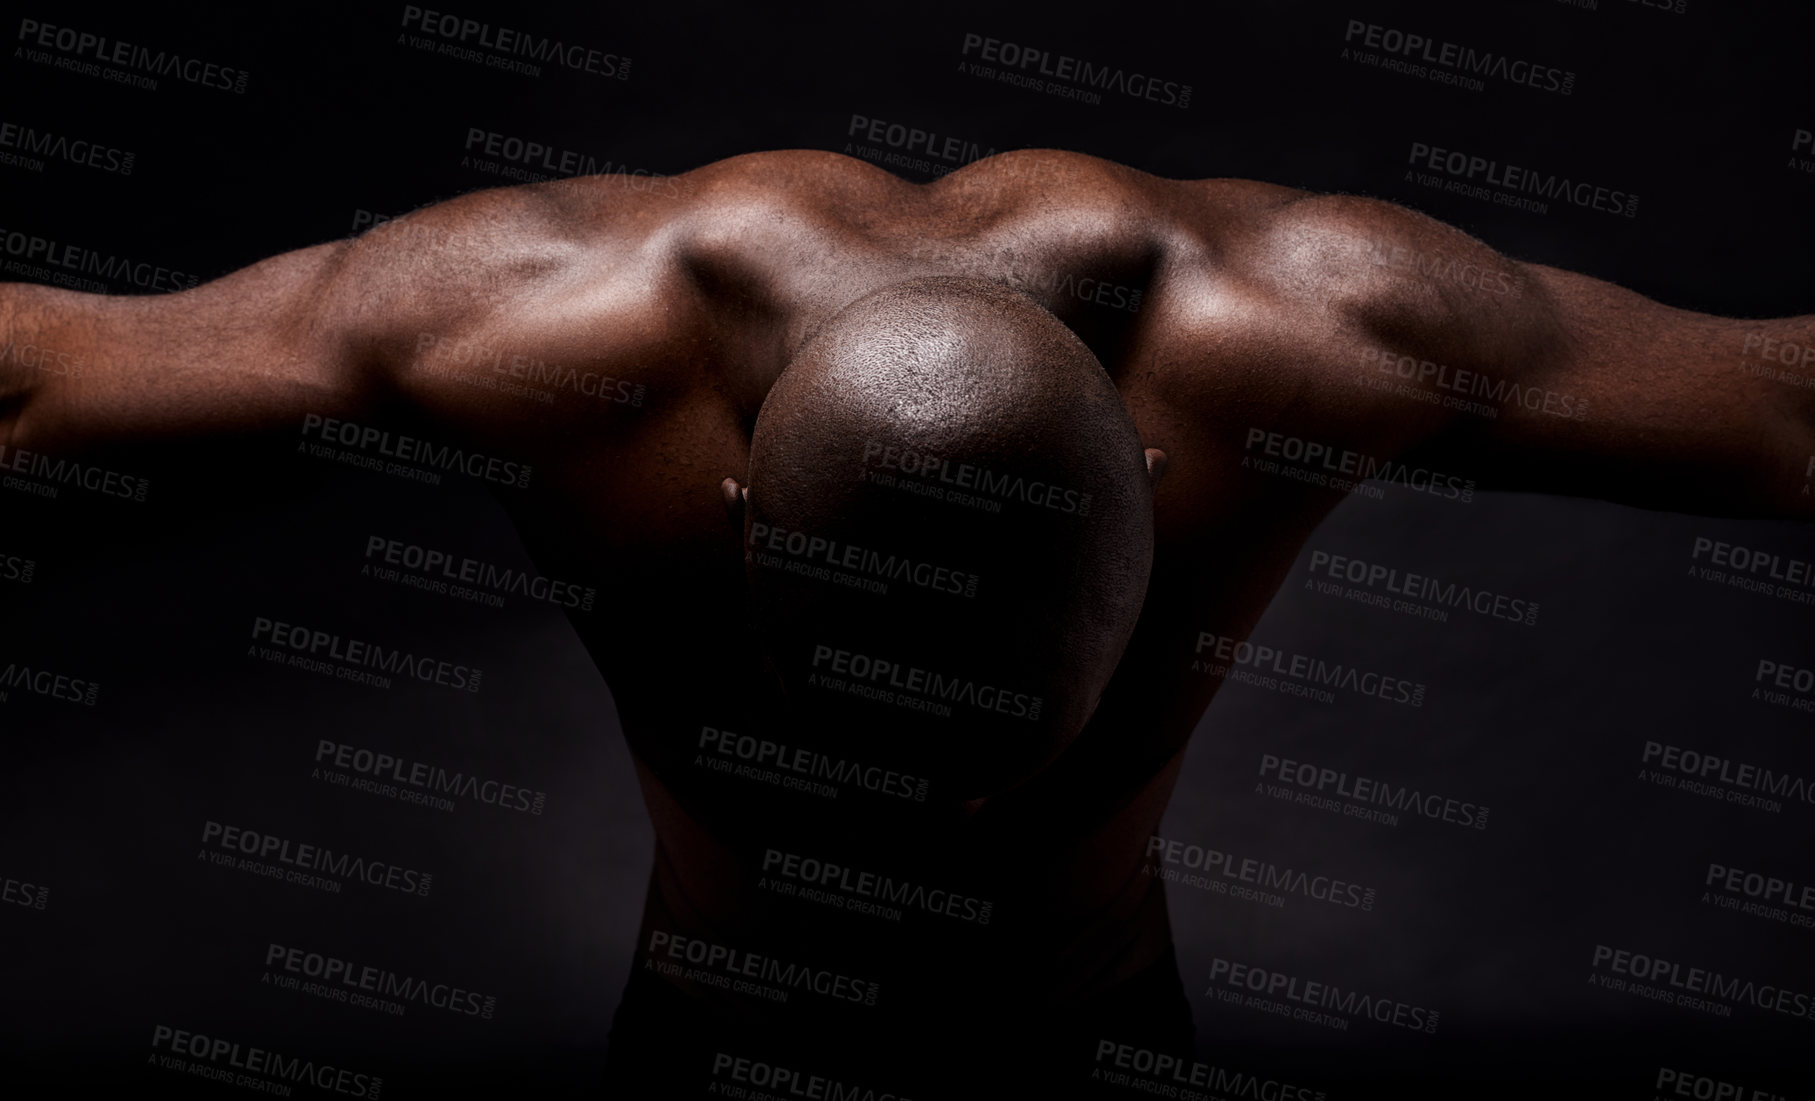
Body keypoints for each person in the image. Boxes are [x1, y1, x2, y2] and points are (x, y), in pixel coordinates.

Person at [3, 149, 1810, 1097]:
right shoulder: (530, 328)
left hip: (1099, 1025)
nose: (941, 816)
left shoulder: (1319, 330)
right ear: (736, 517)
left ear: (1157, 471)